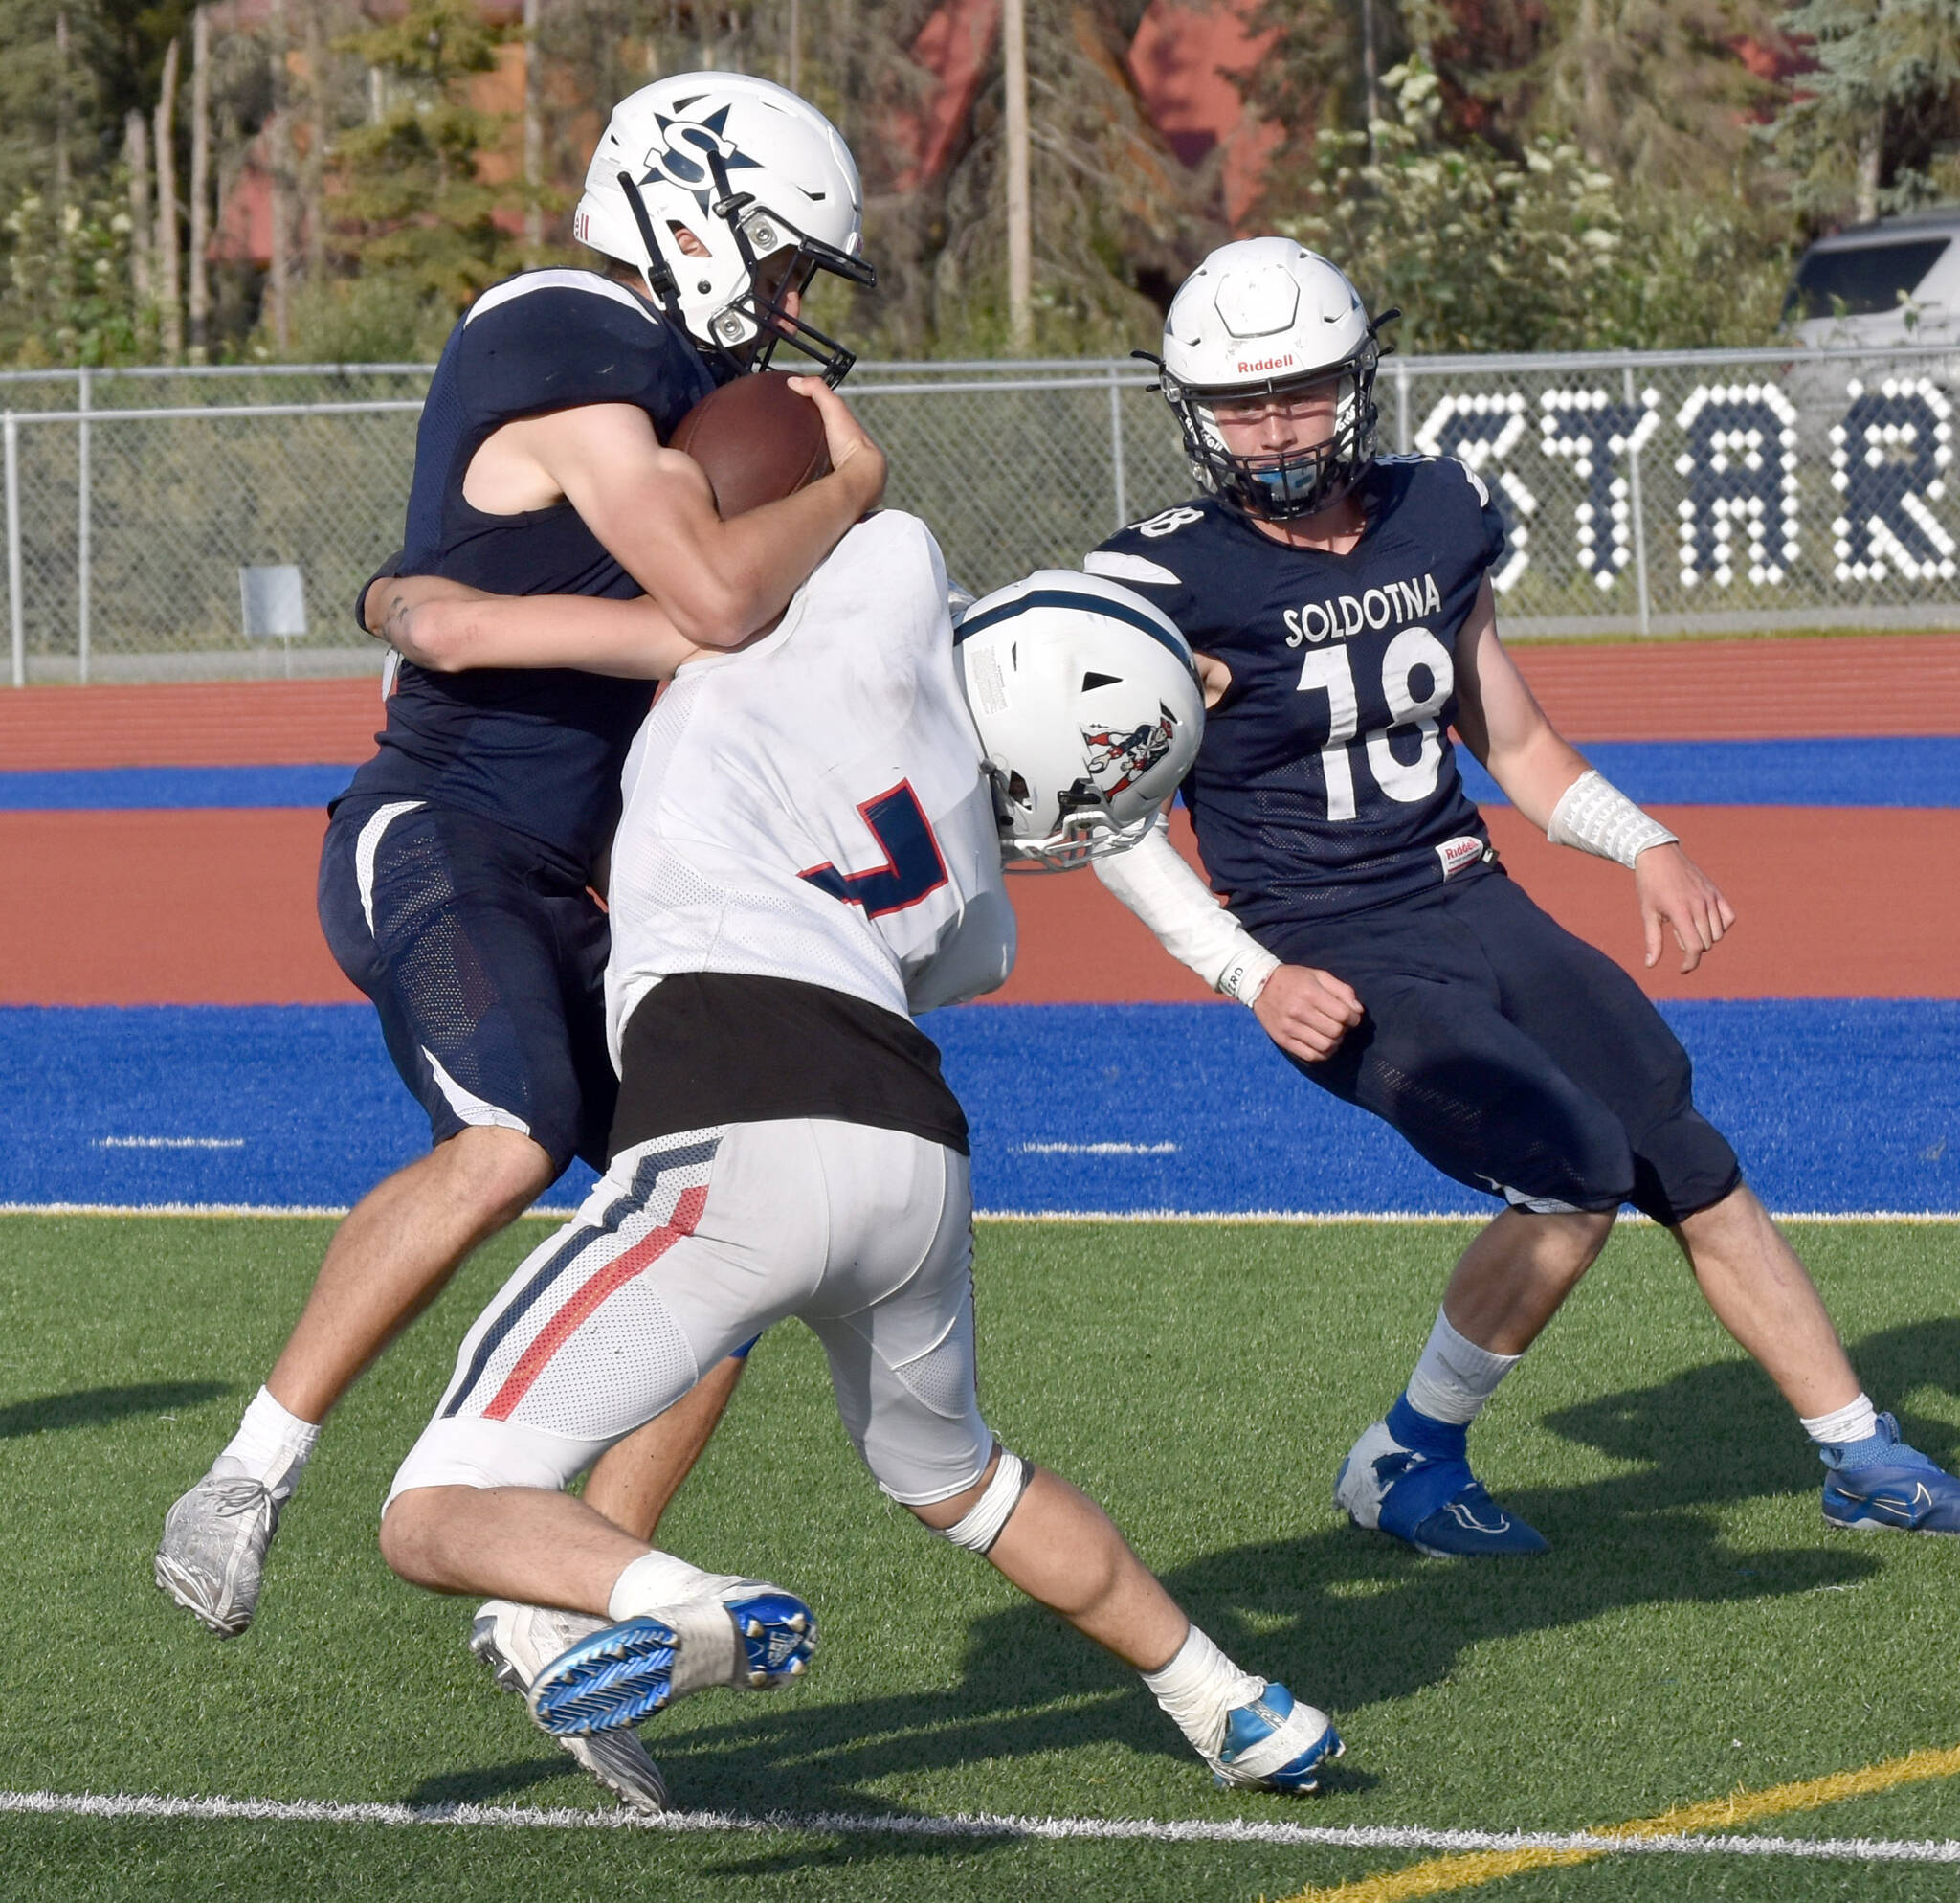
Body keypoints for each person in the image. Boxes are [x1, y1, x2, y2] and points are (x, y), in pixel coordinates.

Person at [153, 72, 888, 1809]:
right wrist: (845, 492)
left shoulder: (673, 382)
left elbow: (716, 641)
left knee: (735, 1225)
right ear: (689, 211)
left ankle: (561, 1608)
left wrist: (469, 611)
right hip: (445, 834)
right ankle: (249, 1473)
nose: (788, 314)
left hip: (579, 882)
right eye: (782, 268)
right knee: (513, 1138)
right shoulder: (565, 333)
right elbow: (714, 605)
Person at [367, 526, 1344, 1799]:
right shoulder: (980, 907)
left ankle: (679, 1601)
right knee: (967, 1477)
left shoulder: (874, 593)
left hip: (729, 1114)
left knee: (434, 1506)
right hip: (911, 1158)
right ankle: (1234, 1704)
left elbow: (835, 521)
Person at [1084, 235, 1960, 1558]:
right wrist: (1248, 973)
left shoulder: (1435, 511)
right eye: (1243, 403)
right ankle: (1406, 1457)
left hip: (1469, 893)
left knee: (1682, 1150)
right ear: (1196, 414)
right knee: (1570, 1173)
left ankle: (1858, 1448)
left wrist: (1644, 842)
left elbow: (1518, 740)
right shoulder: (1159, 580)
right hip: (1331, 941)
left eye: (1303, 390)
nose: (1274, 426)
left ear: (1358, 381)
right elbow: (1111, 817)